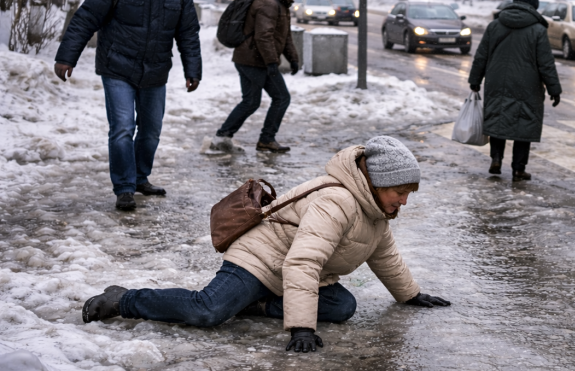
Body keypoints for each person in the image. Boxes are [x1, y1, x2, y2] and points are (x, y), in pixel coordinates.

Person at [81, 136, 450, 353]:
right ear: (377, 182)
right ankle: (124, 299)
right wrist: (301, 327)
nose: (403, 202)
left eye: (407, 195)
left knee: (343, 306)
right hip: (257, 260)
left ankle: (254, 305)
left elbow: (384, 255)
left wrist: (410, 295)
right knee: (209, 312)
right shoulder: (336, 202)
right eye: (400, 193)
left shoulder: (373, 211)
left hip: (292, 275)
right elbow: (303, 264)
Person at [54, 0, 202, 211]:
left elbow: (188, 34)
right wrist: (66, 57)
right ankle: (124, 187)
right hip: (117, 67)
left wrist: (193, 68)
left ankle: (139, 177)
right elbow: (86, 19)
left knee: (151, 132)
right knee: (122, 128)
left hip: (156, 71)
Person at [468, 0, 562, 182]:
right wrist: (554, 89)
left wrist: (475, 80)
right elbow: (545, 63)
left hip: (497, 81)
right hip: (527, 85)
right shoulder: (537, 29)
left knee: (498, 119)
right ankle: (519, 169)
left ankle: (496, 158)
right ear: (534, 7)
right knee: (524, 125)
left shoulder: (495, 25)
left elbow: (481, 56)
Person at [211, 0, 302, 154]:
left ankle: (225, 136)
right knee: (280, 97)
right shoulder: (268, 3)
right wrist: (271, 63)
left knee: (252, 101)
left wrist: (293, 58)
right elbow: (263, 36)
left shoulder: (281, 3)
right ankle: (264, 139)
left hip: (253, 59)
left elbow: (285, 37)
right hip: (253, 60)